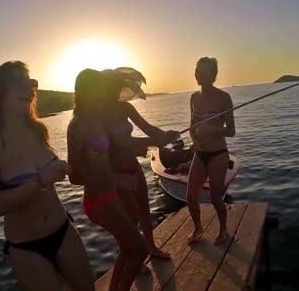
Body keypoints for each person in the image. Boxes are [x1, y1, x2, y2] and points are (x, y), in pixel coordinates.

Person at [0, 61, 95, 291]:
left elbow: (53, 175)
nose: (30, 88)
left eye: (32, 83)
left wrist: (63, 169)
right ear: (1, 92)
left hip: (63, 229)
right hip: (26, 246)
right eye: (21, 83)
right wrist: (40, 180)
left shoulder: (38, 130)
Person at [67, 69, 147, 291]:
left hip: (112, 195)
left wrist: (139, 147)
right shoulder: (78, 125)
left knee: (128, 246)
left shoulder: (96, 120)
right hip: (98, 201)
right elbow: (74, 176)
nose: (104, 93)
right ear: (86, 91)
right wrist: (117, 179)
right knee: (139, 248)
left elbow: (108, 154)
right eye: (99, 88)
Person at [101, 68, 179, 260]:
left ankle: (151, 247)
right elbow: (118, 142)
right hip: (115, 172)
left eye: (117, 87)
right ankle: (132, 258)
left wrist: (165, 135)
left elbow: (148, 128)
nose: (115, 91)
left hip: (132, 164)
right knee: (129, 219)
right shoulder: (97, 115)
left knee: (144, 208)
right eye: (111, 87)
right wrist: (152, 141)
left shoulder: (125, 108)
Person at [187, 57, 236, 245]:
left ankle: (223, 229)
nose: (198, 74)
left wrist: (213, 129)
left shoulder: (224, 98)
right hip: (200, 153)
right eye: (197, 70)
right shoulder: (193, 97)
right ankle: (198, 229)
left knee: (215, 197)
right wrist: (194, 140)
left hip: (218, 153)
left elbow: (231, 130)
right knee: (190, 197)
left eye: (203, 71)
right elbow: (192, 125)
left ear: (213, 75)